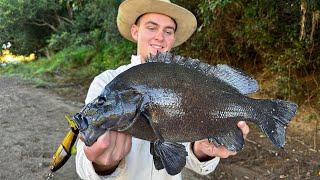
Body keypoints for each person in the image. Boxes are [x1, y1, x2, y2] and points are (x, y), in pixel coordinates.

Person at [75, 0, 250, 179]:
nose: (160, 37)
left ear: (173, 38)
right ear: (135, 31)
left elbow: (186, 158)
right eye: (152, 27)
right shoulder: (106, 83)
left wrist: (201, 150)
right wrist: (102, 165)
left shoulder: (186, 82)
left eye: (168, 31)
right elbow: (83, 165)